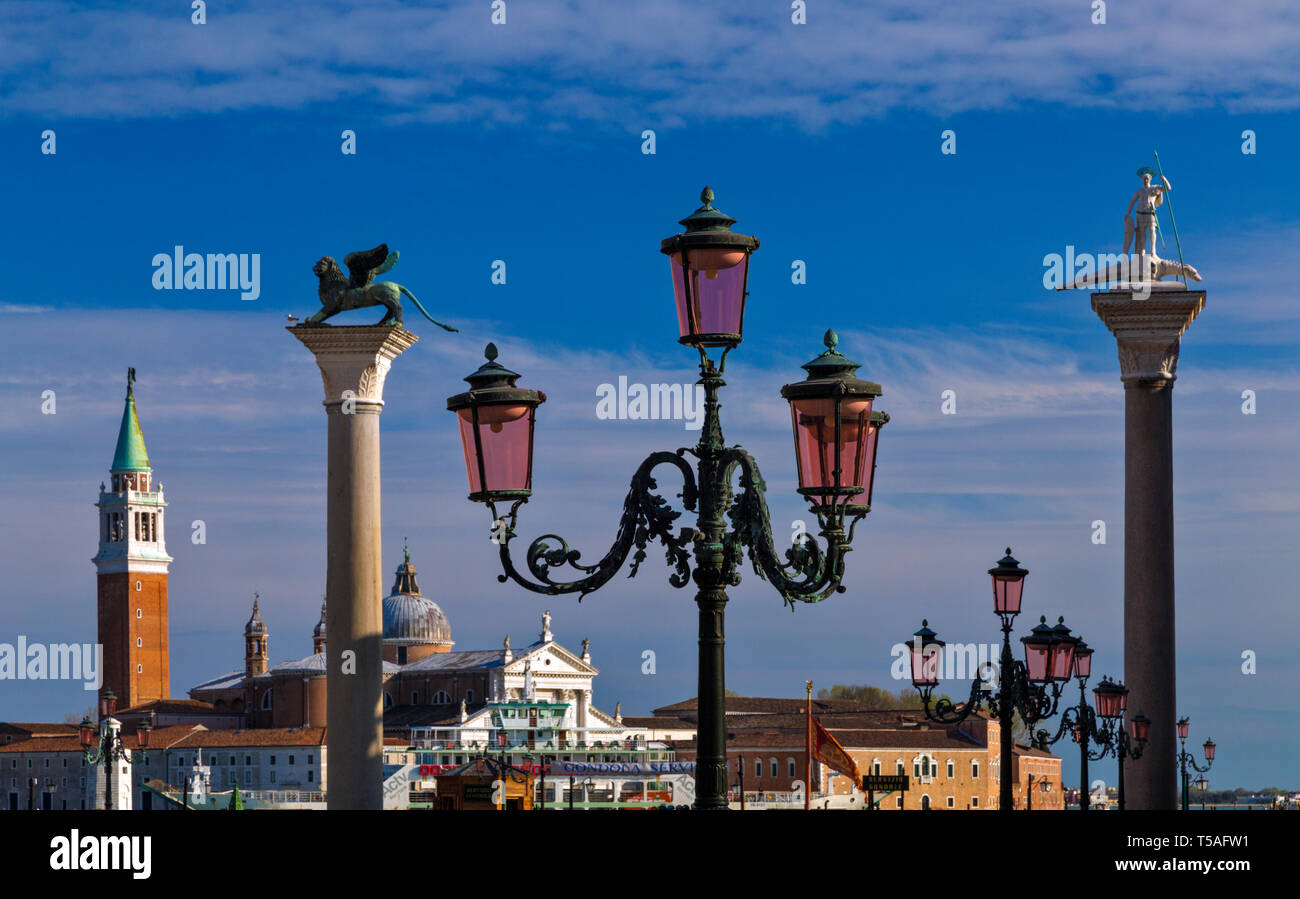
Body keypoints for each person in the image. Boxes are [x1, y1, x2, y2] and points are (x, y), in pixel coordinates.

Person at [1124, 167, 1171, 258]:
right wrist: (1128, 213)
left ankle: (1153, 250)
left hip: (1150, 212)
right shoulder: (1139, 191)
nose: (1145, 180)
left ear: (1150, 179)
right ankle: (1142, 250)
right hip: (1140, 213)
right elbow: (1132, 201)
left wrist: (1164, 180)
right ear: (1142, 180)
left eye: (1147, 178)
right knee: (1141, 232)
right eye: (1144, 178)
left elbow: (1168, 188)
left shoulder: (1155, 188)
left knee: (1152, 230)